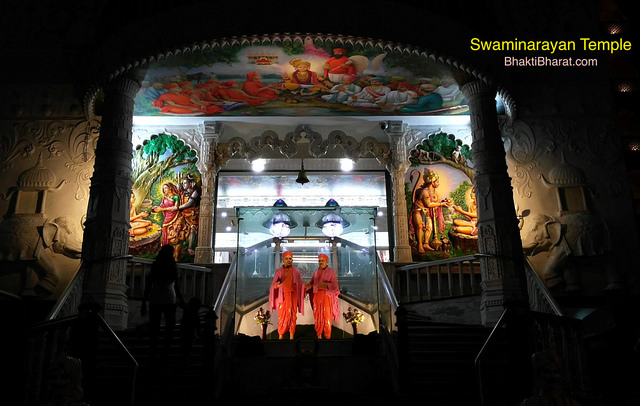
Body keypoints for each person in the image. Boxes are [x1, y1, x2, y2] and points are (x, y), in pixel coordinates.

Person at [141, 244, 185, 363]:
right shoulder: (172, 266)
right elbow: (177, 286)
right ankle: (165, 351)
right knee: (169, 326)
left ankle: (154, 351)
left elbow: (149, 284)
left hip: (156, 297)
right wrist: (181, 300)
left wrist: (144, 302)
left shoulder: (156, 265)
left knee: (155, 326)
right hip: (169, 298)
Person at [410, 168, 452, 253]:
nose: (438, 184)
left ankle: (426, 243)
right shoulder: (425, 192)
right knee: (420, 227)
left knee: (430, 227)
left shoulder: (434, 193)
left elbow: (434, 205)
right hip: (418, 210)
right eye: (437, 182)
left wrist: (444, 202)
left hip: (427, 213)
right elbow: (428, 204)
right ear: (432, 182)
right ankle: (420, 246)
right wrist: (441, 204)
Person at [269, 251, 305, 340]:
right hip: (283, 297)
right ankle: (281, 335)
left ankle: (291, 336)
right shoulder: (279, 272)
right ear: (283, 260)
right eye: (286, 258)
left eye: (290, 258)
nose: (289, 260)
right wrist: (276, 286)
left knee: (293, 315)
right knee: (282, 316)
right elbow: (273, 285)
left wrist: (307, 287)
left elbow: (300, 285)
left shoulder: (296, 272)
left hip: (293, 296)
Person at [305, 254, 340, 339]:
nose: (320, 262)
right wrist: (308, 285)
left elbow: (335, 286)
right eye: (319, 260)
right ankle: (319, 336)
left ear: (327, 261)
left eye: (322, 260)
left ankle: (327, 336)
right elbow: (312, 283)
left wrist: (326, 284)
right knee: (317, 316)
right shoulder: (316, 272)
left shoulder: (331, 272)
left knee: (326, 316)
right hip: (317, 297)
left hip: (326, 297)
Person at [152, 182, 185, 261]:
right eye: (163, 189)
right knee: (165, 231)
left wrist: (162, 209)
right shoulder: (165, 198)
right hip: (167, 217)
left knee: (173, 232)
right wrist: (156, 208)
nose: (164, 190)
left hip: (174, 217)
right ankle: (164, 251)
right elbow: (162, 206)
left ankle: (173, 254)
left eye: (166, 188)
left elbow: (175, 208)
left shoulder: (175, 197)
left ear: (170, 188)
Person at [177, 174, 200, 256]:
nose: (183, 185)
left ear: (190, 183)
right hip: (183, 214)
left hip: (191, 214)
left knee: (192, 229)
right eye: (183, 183)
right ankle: (182, 246)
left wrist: (178, 207)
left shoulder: (195, 192)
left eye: (185, 183)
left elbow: (189, 203)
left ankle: (190, 247)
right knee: (182, 229)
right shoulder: (183, 191)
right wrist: (178, 186)